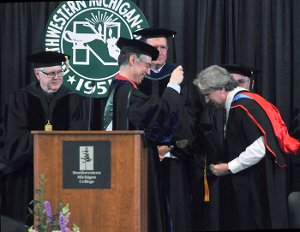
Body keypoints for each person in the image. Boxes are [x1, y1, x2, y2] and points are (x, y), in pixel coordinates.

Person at [193, 64, 300, 230]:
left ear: (221, 88)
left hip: (253, 185)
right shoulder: (249, 101)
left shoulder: (242, 107)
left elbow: (260, 147)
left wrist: (229, 167)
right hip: (258, 180)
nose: (207, 100)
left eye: (208, 94)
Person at [103, 37, 185, 232]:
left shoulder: (116, 89)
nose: (148, 72)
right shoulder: (127, 93)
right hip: (131, 171)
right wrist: (173, 85)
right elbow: (163, 117)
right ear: (132, 60)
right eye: (147, 65)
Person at [0, 51, 89, 228]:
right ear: (37, 74)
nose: (57, 77)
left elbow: (78, 136)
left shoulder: (73, 98)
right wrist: (44, 143)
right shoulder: (21, 98)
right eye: (51, 73)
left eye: (60, 72)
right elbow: (14, 138)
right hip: (26, 172)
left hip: (62, 171)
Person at [133, 27, 207, 232]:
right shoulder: (136, 79)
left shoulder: (181, 78)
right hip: (142, 158)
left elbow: (192, 118)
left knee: (176, 211)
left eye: (163, 47)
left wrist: (171, 148)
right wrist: (150, 148)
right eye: (154, 47)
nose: (160, 51)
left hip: (175, 158)